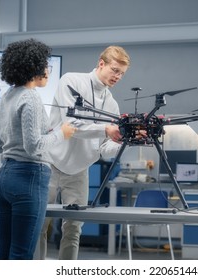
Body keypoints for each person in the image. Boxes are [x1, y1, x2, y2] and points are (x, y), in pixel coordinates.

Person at [37, 46, 130, 260]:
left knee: (73, 230)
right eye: (115, 70)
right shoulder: (71, 81)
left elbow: (105, 149)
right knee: (40, 225)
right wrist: (106, 129)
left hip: (79, 171)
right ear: (101, 63)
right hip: (49, 163)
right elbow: (72, 125)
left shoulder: (112, 104)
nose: (118, 76)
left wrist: (125, 141)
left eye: (122, 73)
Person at [0, 38, 76, 259]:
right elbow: (33, 147)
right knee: (21, 254)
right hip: (29, 177)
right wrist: (61, 134)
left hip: (4, 177)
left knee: (4, 250)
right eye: (45, 64)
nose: (48, 70)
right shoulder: (31, 98)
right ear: (34, 67)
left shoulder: (4, 98)